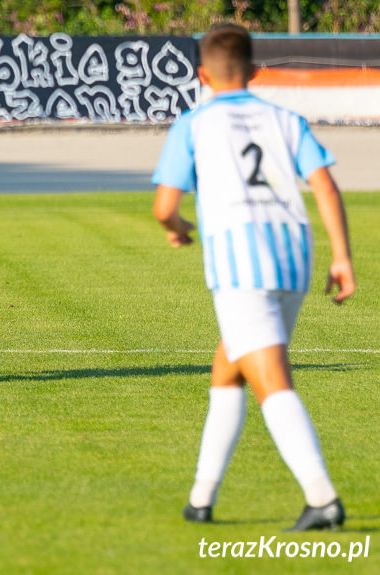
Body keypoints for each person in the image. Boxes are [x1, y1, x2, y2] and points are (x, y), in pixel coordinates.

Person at [152, 24, 355, 531]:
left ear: (202, 74)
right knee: (228, 368)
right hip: (294, 259)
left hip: (243, 267)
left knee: (271, 380)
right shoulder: (284, 118)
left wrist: (179, 228)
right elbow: (325, 186)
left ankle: (321, 496)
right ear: (257, 70)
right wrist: (343, 257)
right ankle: (201, 498)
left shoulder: (193, 124)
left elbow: (163, 208)